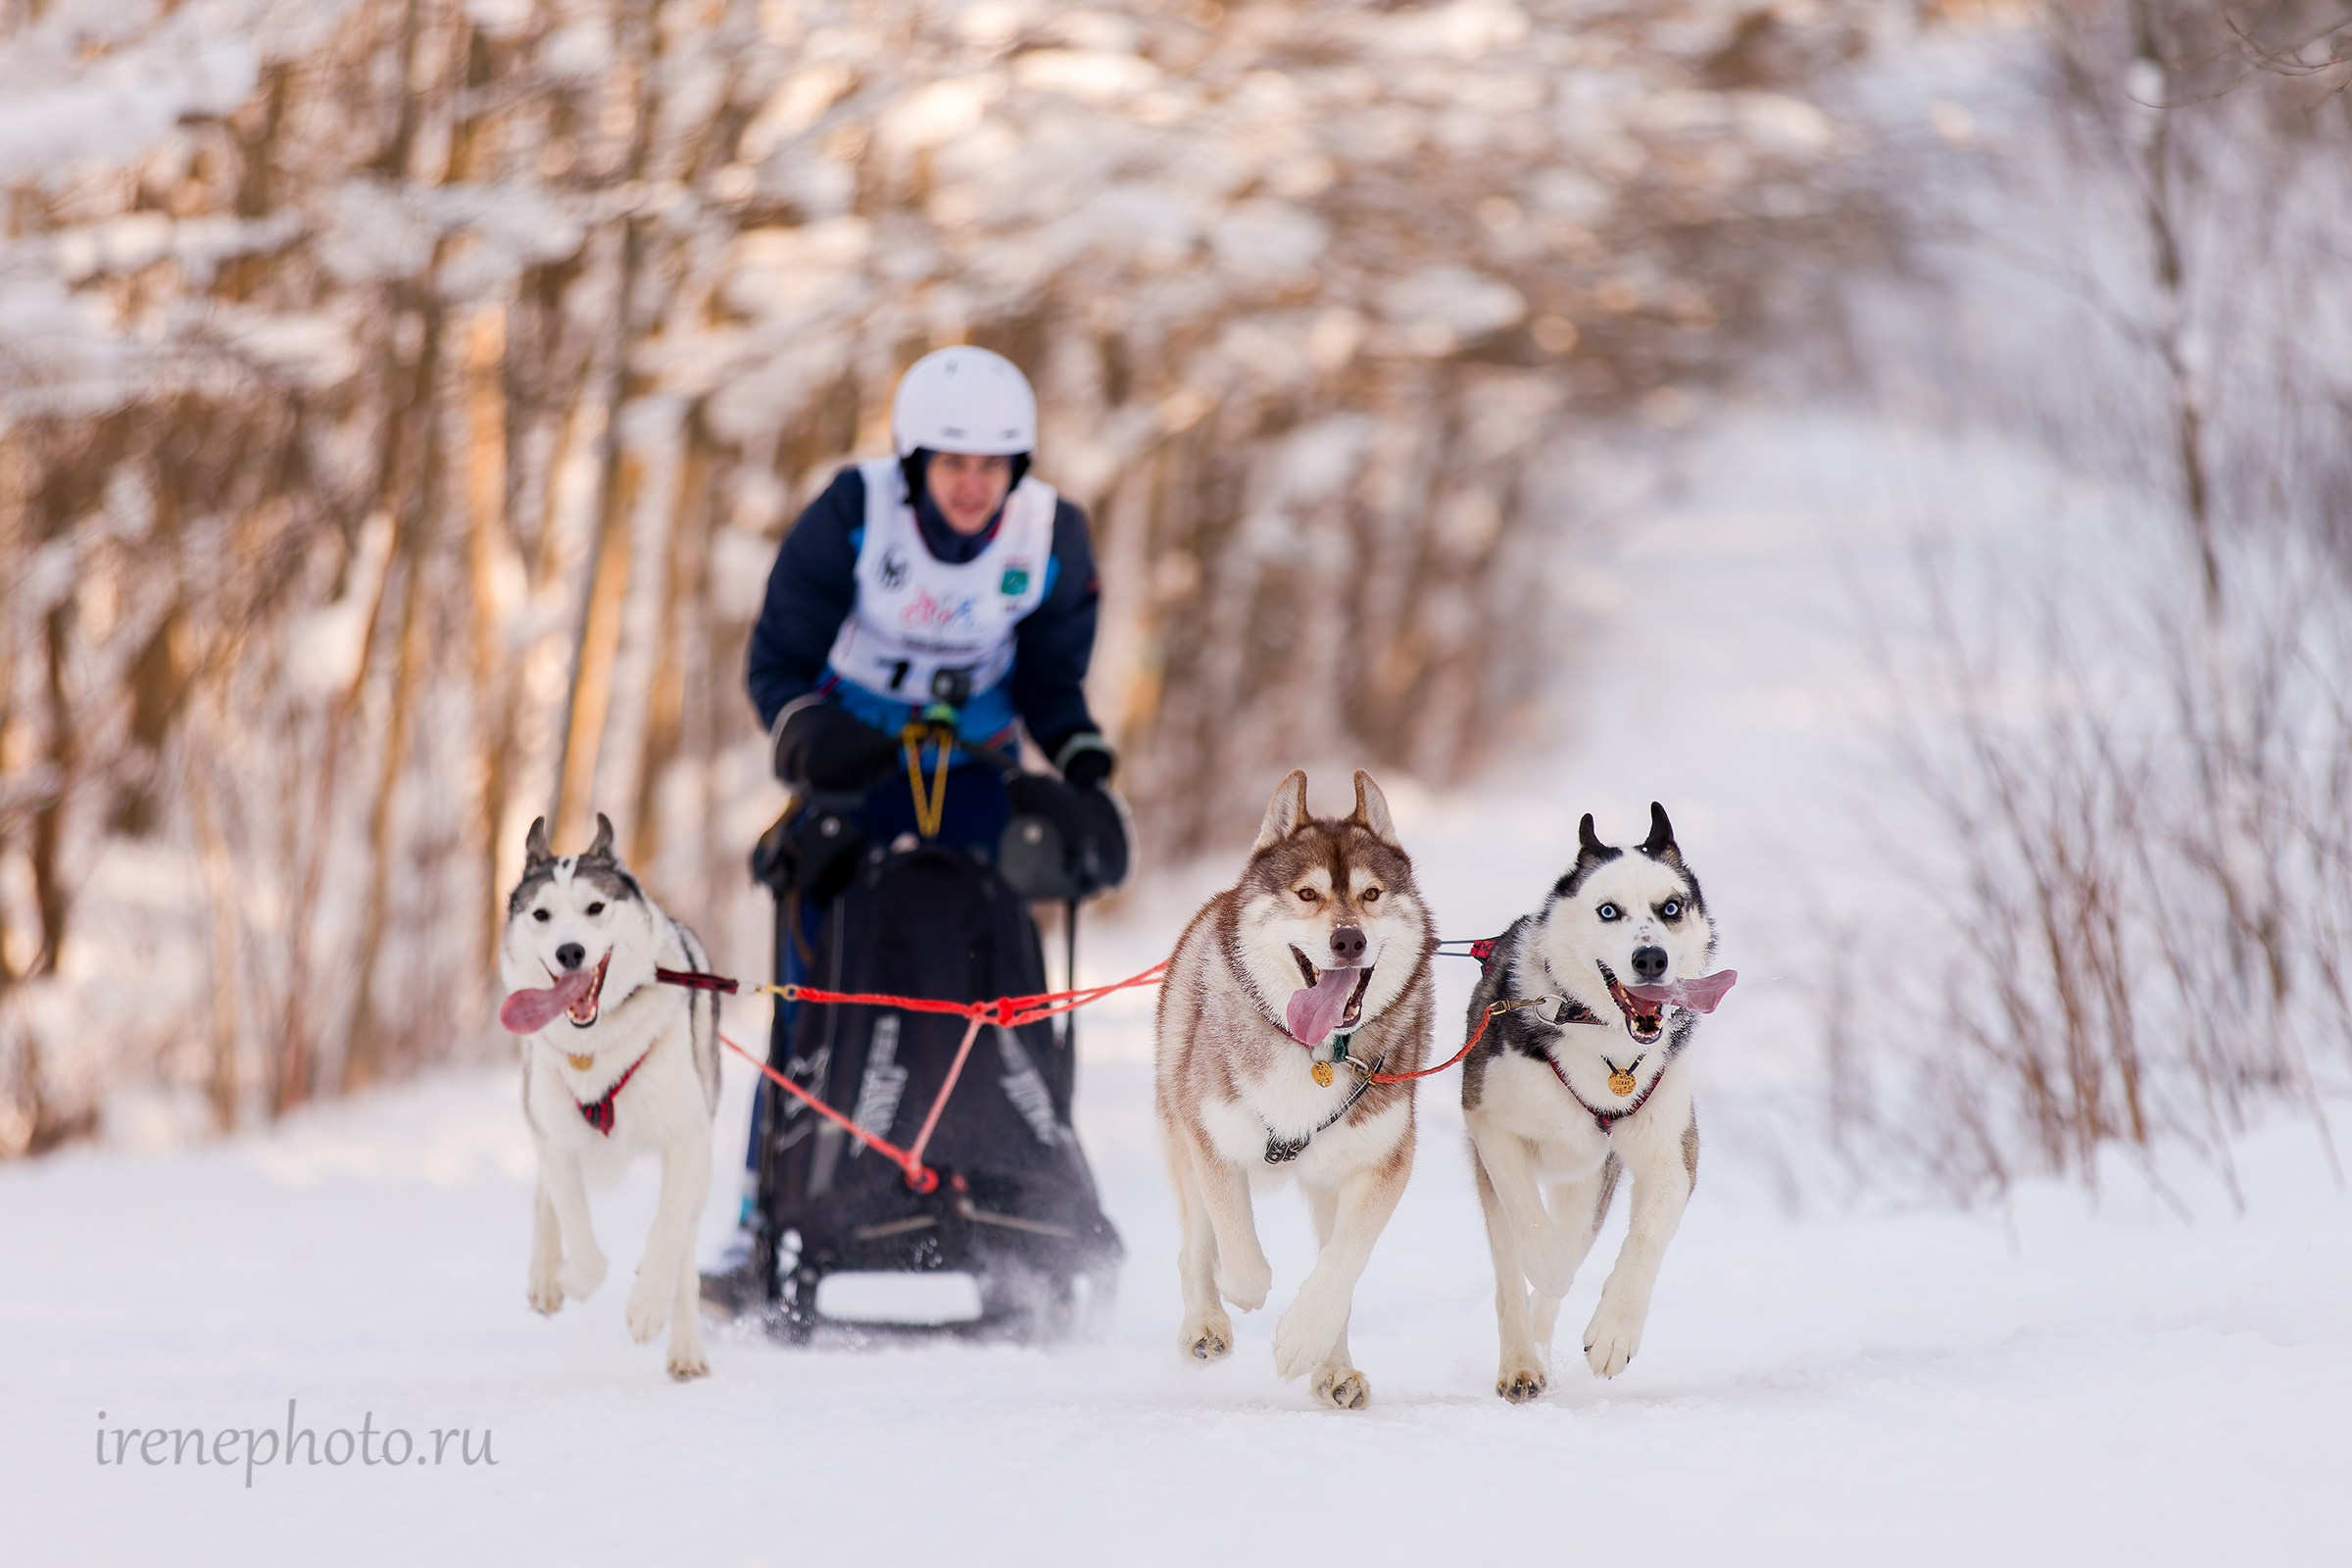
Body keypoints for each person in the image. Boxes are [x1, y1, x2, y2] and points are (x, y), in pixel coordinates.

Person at [708, 347, 1127, 1289]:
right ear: (915, 464)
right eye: (952, 464)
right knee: (814, 981)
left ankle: (1014, 1190)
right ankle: (761, 1210)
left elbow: (1050, 680)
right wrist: (809, 733)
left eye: (992, 466)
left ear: (1017, 467)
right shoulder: (852, 513)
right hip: (856, 767)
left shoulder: (1051, 533)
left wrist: (1083, 766)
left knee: (993, 974)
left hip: (978, 771)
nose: (972, 486)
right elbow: (777, 661)